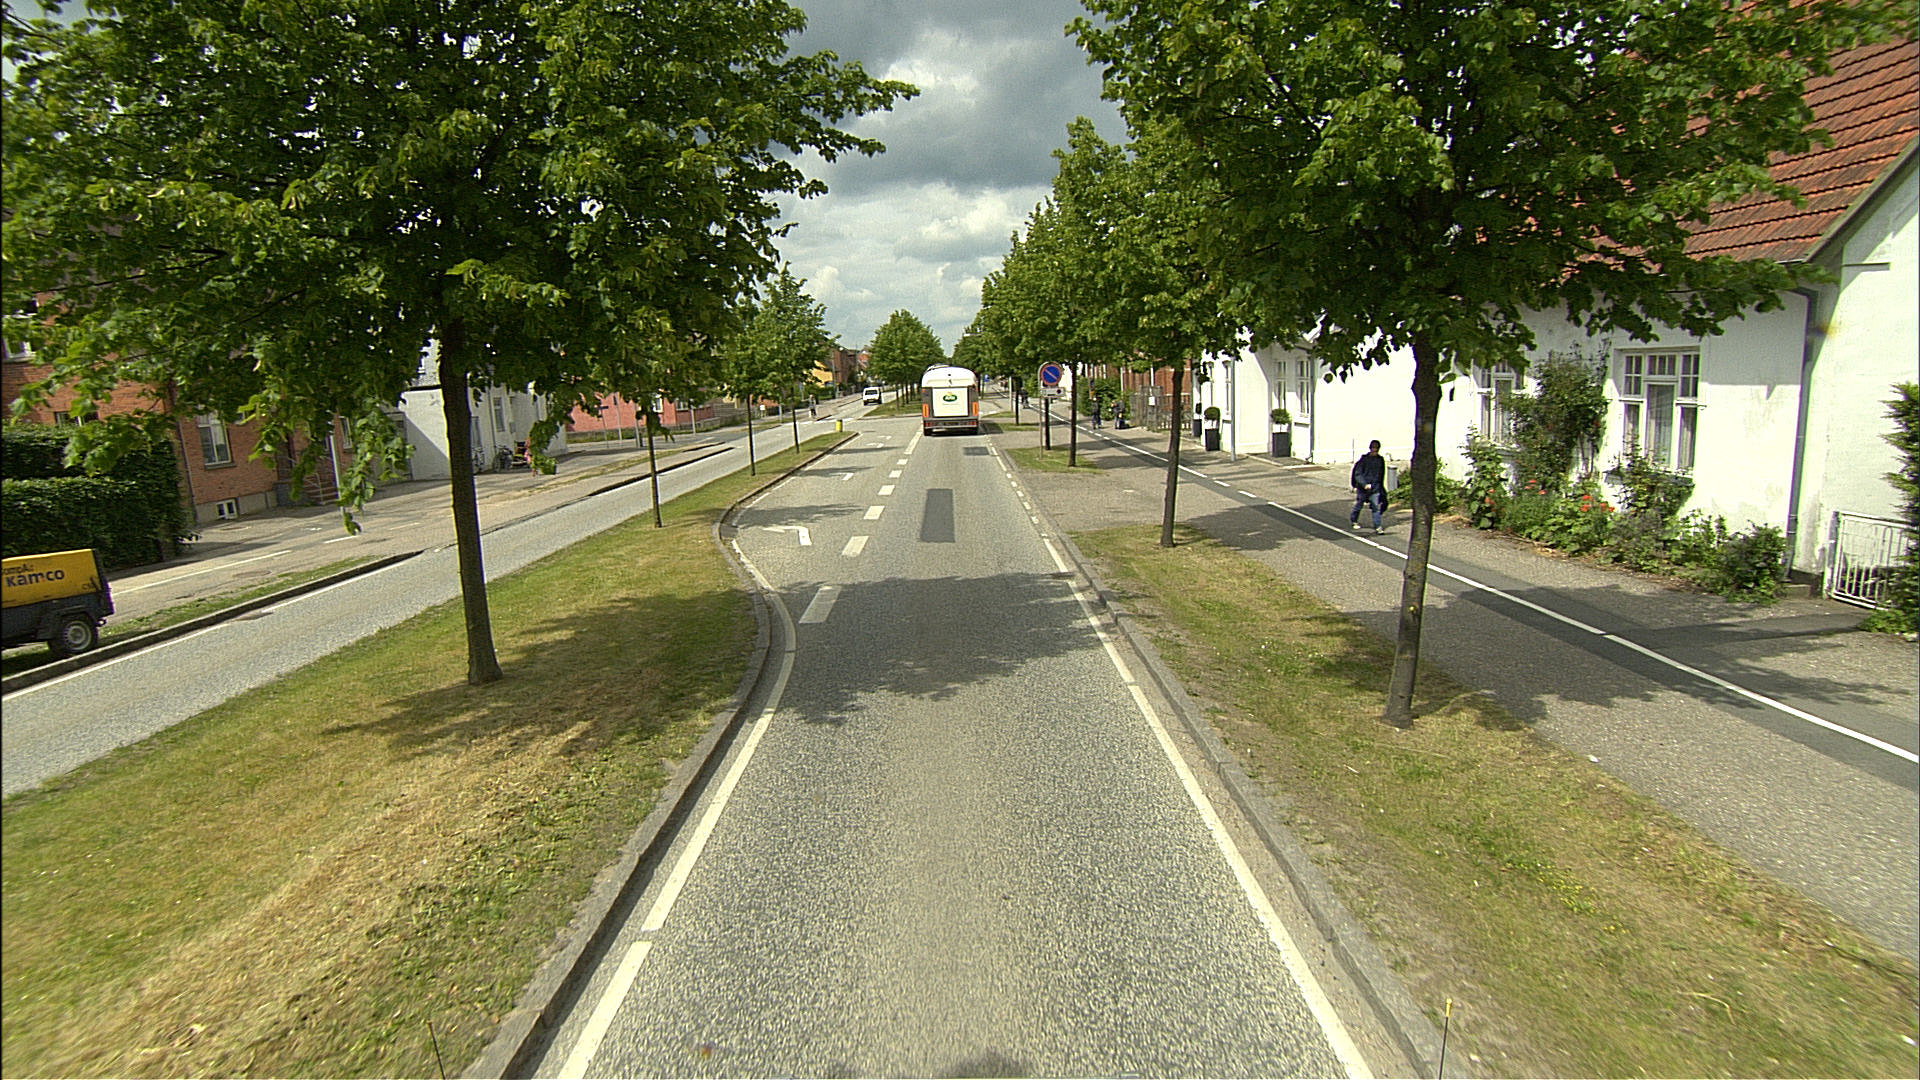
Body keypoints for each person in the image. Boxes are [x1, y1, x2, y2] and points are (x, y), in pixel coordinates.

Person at [1350, 439, 1387, 534]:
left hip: (1375, 488)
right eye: (1373, 448)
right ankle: (1354, 520)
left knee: (1375, 507)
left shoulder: (1380, 460)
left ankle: (1378, 526)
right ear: (1370, 448)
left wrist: (1380, 487)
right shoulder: (1364, 460)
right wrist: (1364, 484)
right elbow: (1358, 474)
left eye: (1376, 449)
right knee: (1359, 505)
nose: (1375, 451)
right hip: (1363, 489)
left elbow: (1381, 475)